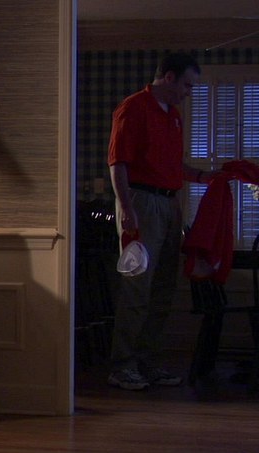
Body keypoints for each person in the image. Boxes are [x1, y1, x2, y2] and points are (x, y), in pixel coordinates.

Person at [106, 52, 220, 390]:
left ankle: (147, 361)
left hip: (170, 205)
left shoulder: (174, 116)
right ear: (168, 77)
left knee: (163, 289)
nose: (188, 92)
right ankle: (122, 365)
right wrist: (127, 208)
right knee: (137, 286)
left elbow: (172, 165)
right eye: (187, 85)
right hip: (142, 202)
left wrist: (203, 177)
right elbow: (118, 163)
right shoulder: (133, 108)